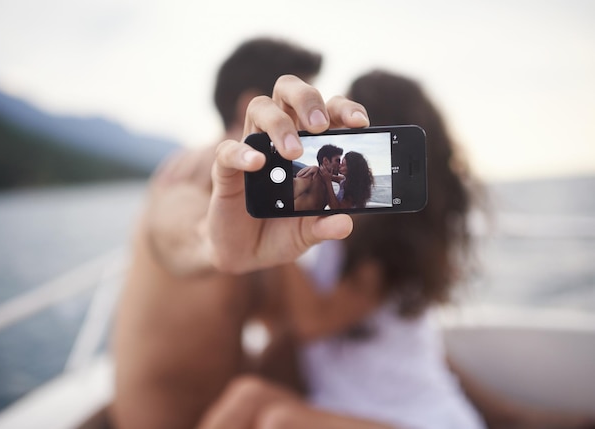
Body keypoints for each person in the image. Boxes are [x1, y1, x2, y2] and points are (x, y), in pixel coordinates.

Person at [190, 70, 595, 429]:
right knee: (251, 400)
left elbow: (312, 320)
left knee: (267, 412)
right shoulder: (341, 219)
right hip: (352, 410)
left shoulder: (387, 248)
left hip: (411, 418)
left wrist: (272, 219)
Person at [108, 37, 367, 429]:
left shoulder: (273, 194)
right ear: (252, 104)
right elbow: (175, 229)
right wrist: (210, 241)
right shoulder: (190, 176)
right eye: (298, 107)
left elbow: (298, 320)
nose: (306, 124)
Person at [293, 144, 343, 211]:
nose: (340, 165)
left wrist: (329, 178)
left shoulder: (327, 180)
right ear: (326, 161)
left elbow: (345, 179)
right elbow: (293, 187)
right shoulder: (311, 176)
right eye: (337, 160)